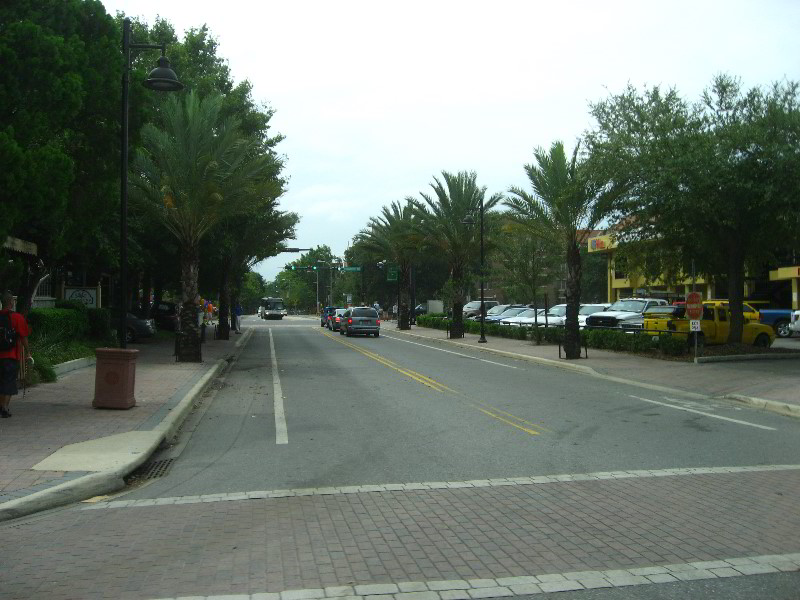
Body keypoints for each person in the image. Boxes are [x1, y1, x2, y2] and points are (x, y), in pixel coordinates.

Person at [0, 291, 31, 418]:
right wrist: (28, 352)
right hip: (11, 356)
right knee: (8, 382)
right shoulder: (17, 318)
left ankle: (2, 406)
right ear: (11, 303)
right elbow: (23, 337)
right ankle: (4, 407)